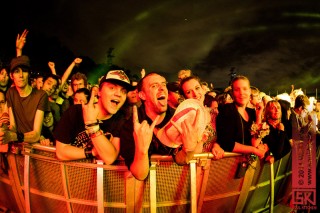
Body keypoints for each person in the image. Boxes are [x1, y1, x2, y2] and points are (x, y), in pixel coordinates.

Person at [54, 70, 134, 164]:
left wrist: (92, 125)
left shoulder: (121, 120)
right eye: (112, 88)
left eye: (123, 91)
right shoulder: (75, 112)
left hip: (99, 178)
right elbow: (61, 152)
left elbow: (110, 157)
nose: (118, 94)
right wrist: (92, 152)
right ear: (98, 92)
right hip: (72, 175)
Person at [0, 55, 49, 145]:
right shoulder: (11, 93)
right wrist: (4, 129)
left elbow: (36, 134)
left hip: (33, 146)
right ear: (11, 76)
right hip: (18, 147)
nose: (21, 75)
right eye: (17, 71)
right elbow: (13, 126)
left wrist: (13, 136)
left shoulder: (41, 95)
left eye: (25, 71)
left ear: (29, 74)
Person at [216, 75, 267, 158]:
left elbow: (255, 143)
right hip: (229, 164)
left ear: (250, 91)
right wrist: (253, 150)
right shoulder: (227, 110)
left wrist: (258, 115)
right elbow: (226, 143)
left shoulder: (251, 113)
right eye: (237, 89)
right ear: (232, 93)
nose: (241, 93)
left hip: (247, 165)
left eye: (245, 89)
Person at [179, 76, 224, 159]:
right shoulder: (184, 119)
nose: (195, 94)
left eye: (197, 88)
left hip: (215, 166)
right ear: (185, 97)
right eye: (189, 92)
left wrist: (217, 145)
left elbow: (222, 136)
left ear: (203, 89)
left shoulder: (214, 113)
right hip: (191, 166)